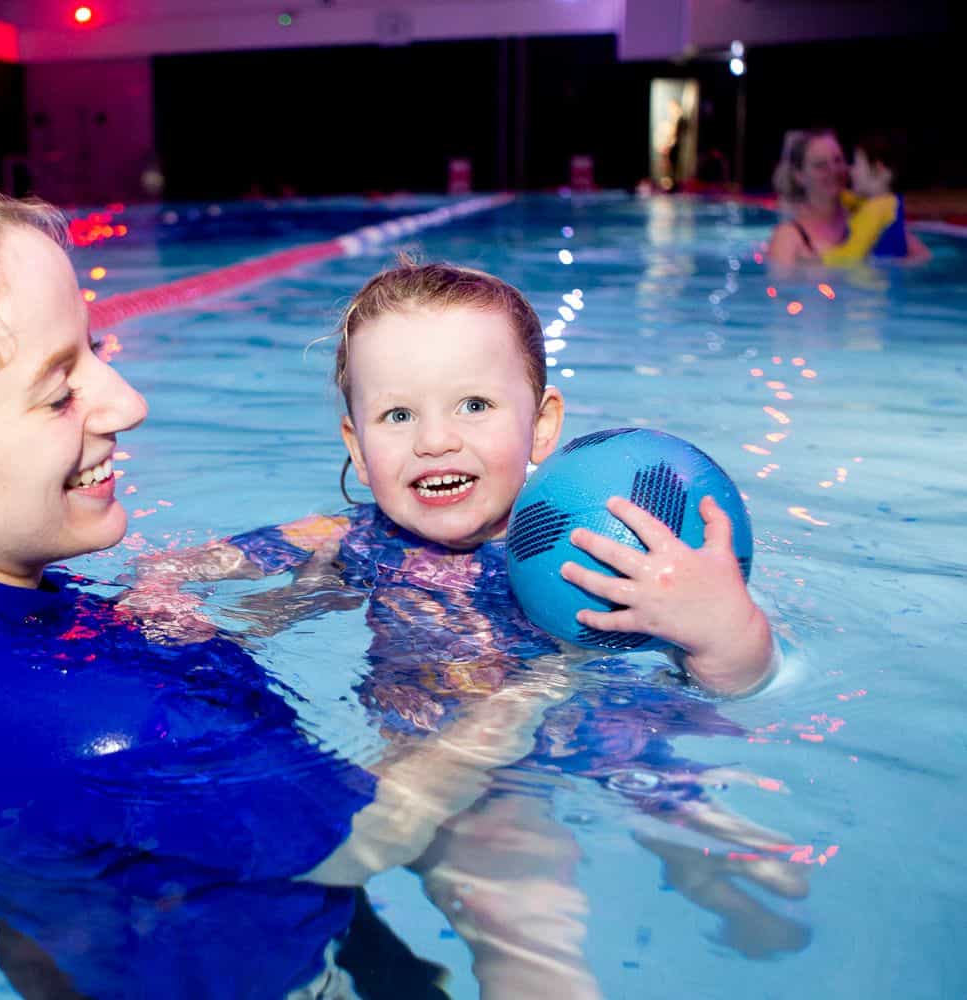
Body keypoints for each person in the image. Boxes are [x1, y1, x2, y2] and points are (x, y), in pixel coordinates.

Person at [0, 97, 572, 999]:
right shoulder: (124, 729)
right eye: (60, 391)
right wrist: (542, 686)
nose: (125, 402)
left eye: (96, 351)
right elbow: (371, 832)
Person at [127, 261, 803, 998]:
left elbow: (738, 681)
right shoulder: (355, 537)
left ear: (541, 423)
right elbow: (192, 566)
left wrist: (725, 631)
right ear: (357, 444)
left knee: (725, 851)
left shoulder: (600, 546)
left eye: (474, 405)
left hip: (614, 731)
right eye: (398, 416)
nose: (435, 441)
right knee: (524, 929)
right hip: (464, 779)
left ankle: (716, 878)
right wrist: (161, 594)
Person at [819, 134, 931, 264]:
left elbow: (850, 256)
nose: (851, 170)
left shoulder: (877, 208)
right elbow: (853, 201)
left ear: (878, 169)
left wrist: (814, 258)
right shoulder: (888, 203)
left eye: (856, 164)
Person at [767, 128, 851, 266]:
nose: (834, 170)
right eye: (821, 165)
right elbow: (779, 286)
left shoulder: (863, 222)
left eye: (838, 160)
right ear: (799, 175)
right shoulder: (788, 238)